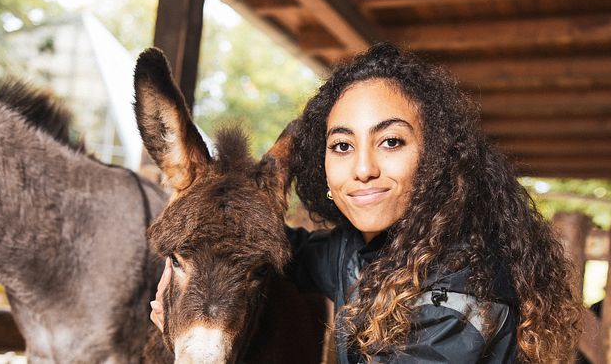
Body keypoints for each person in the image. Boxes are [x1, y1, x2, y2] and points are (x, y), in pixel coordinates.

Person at [150, 43, 582, 363]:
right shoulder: (360, 251)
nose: (362, 169)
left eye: (391, 141)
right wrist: (186, 299)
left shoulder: (465, 290)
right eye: (341, 146)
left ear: (436, 157)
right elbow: (265, 253)